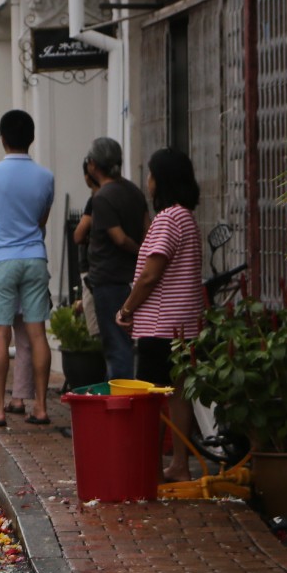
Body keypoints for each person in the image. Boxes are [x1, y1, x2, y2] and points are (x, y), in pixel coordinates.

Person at [117, 148, 207, 480]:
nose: (148, 182)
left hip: (160, 327)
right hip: (184, 325)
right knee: (179, 396)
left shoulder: (168, 219)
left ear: (161, 180)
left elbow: (151, 275)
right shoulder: (187, 217)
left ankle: (150, 467)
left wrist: (127, 308)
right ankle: (179, 464)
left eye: (151, 175)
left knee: (151, 401)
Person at [0, 110, 56, 426]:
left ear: (2, 138)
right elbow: (42, 219)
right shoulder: (46, 176)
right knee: (37, 334)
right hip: (35, 257)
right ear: (31, 138)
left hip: (1, 260)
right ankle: (41, 407)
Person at [75, 137, 147, 381]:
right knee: (128, 342)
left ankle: (120, 403)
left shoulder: (102, 197)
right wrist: (145, 257)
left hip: (109, 279)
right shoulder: (134, 191)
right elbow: (148, 228)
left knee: (116, 346)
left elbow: (118, 238)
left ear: (93, 165)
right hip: (132, 279)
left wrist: (137, 250)